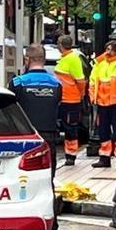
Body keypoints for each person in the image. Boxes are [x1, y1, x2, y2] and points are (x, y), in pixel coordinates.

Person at [8, 43, 62, 230]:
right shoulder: (55, 84)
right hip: (48, 139)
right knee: (48, 185)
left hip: (25, 141)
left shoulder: (18, 83)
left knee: (19, 185)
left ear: (27, 60)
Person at [89, 32, 116, 169]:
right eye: (107, 49)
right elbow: (93, 81)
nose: (107, 52)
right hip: (102, 103)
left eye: (110, 50)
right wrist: (93, 98)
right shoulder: (100, 63)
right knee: (103, 131)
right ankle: (104, 158)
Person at [52, 34, 87, 166]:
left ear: (60, 45)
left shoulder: (72, 59)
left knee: (70, 128)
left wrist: (80, 94)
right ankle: (69, 154)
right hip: (64, 99)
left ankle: (71, 155)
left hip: (70, 100)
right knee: (67, 127)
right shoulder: (66, 58)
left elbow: (80, 80)